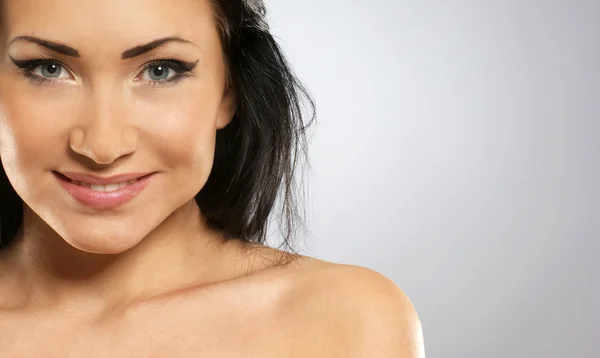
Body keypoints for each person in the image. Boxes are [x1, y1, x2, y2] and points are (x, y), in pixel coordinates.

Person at [0, 0, 425, 356]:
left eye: (161, 70)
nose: (102, 146)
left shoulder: (341, 323)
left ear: (228, 90)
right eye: (48, 68)